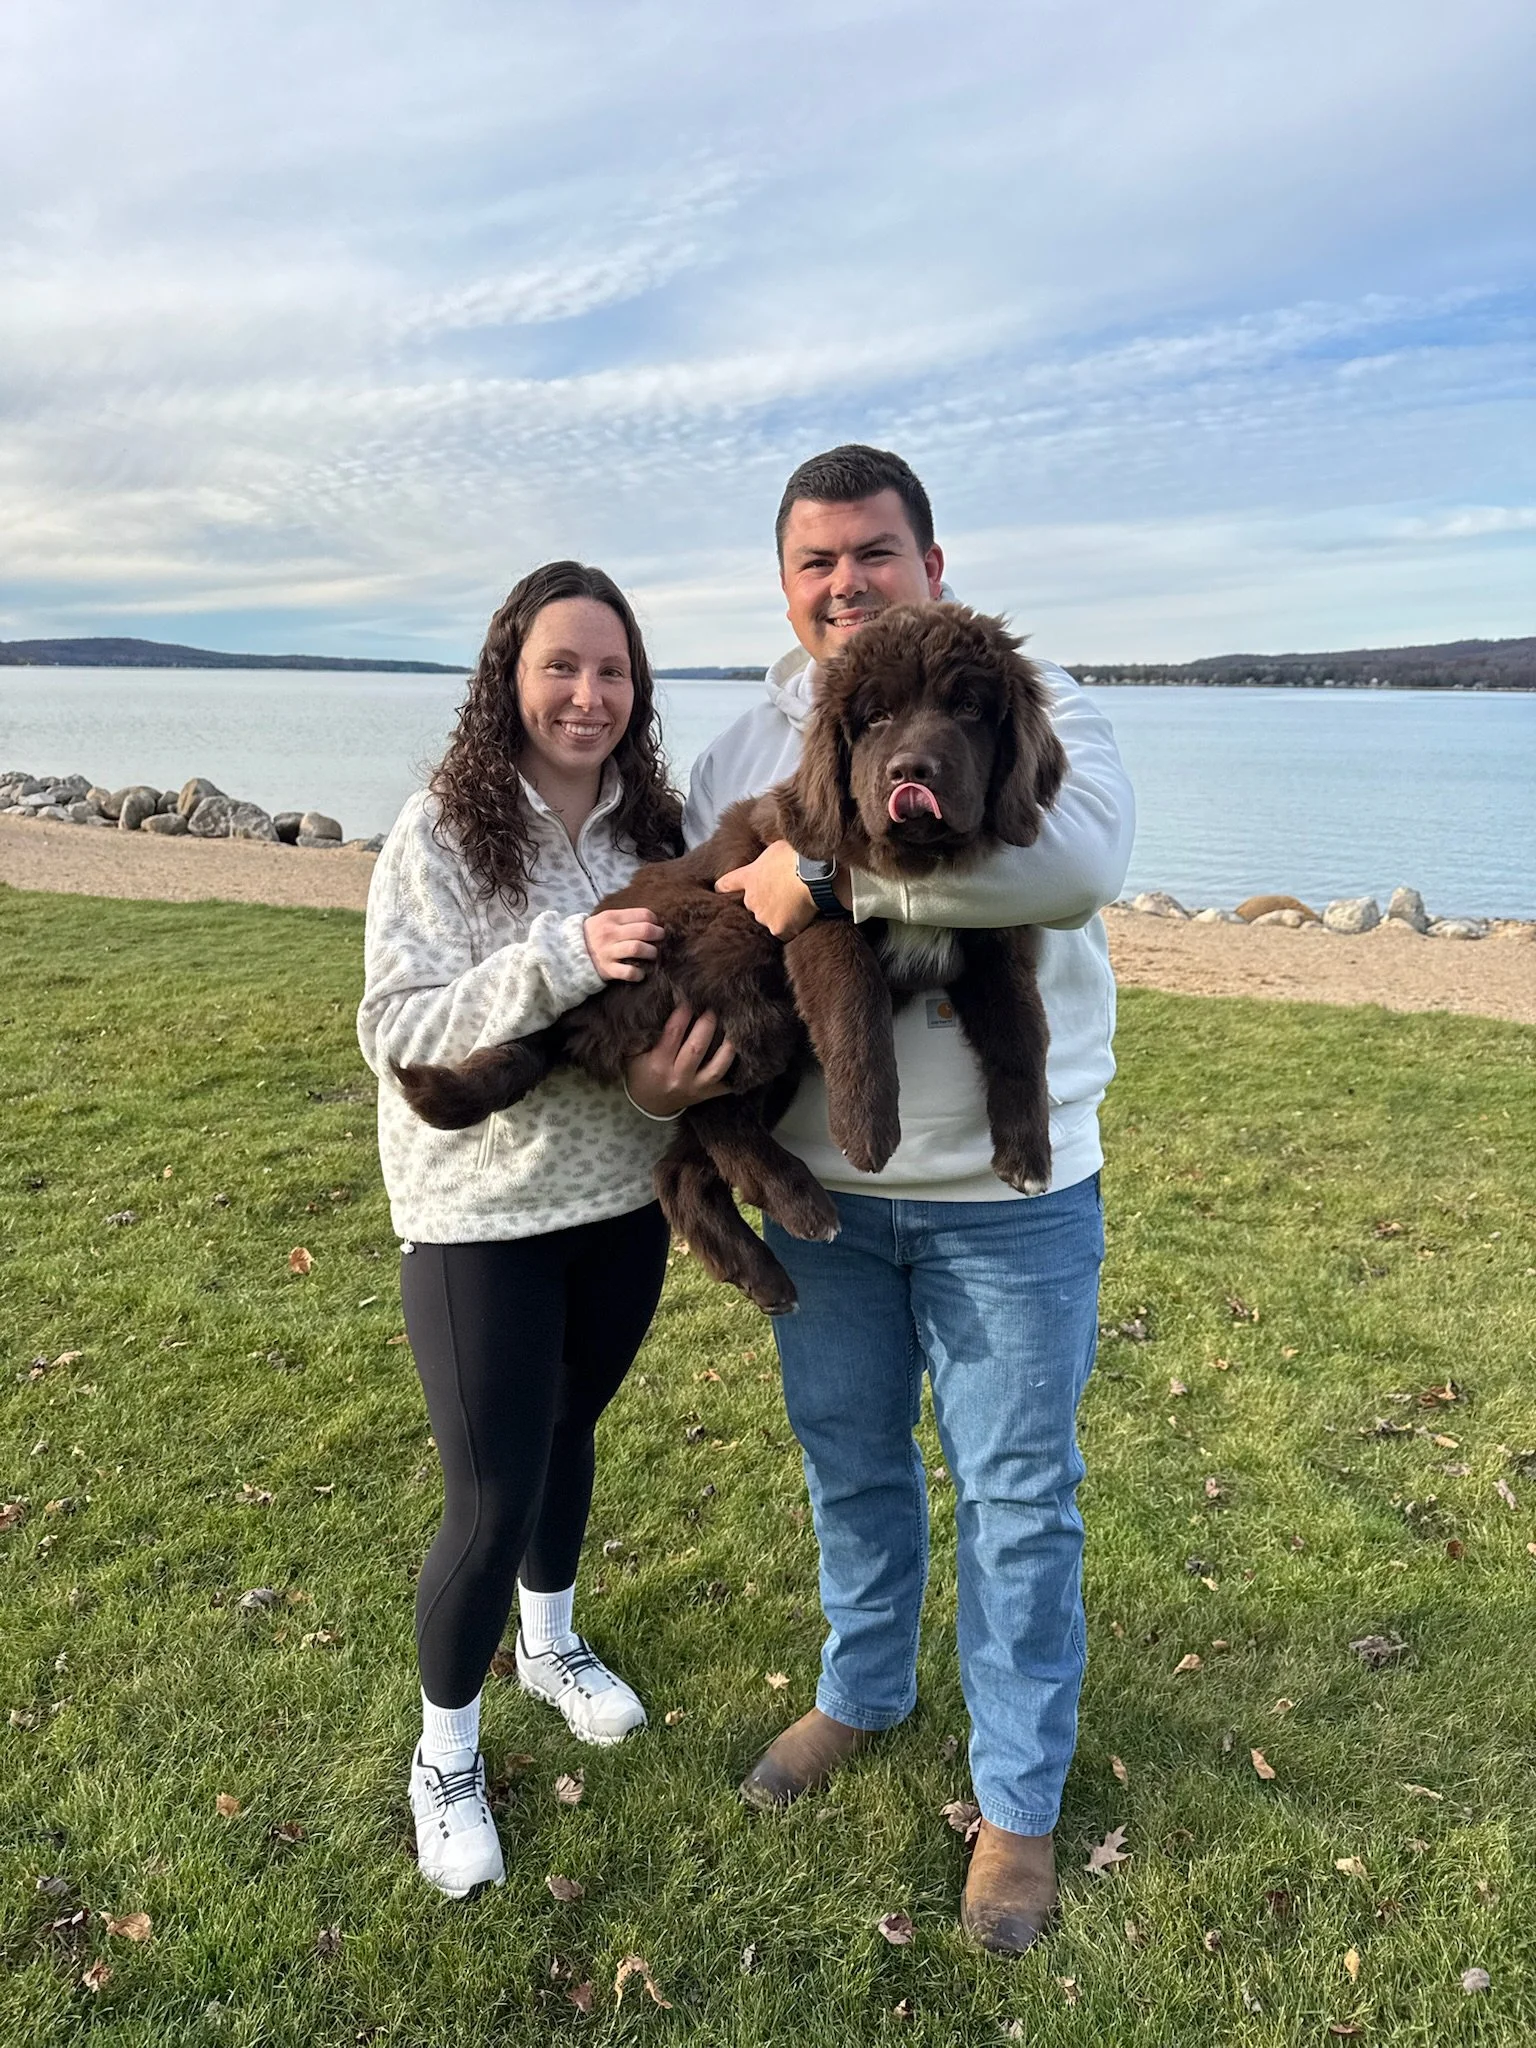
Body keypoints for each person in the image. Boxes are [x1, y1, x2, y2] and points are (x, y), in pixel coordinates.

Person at [686, 445, 1135, 1955]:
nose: (845, 584)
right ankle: (861, 1694)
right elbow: (711, 916)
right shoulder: (752, 725)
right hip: (831, 1189)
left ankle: (1017, 1807)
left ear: (930, 565)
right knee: (851, 1460)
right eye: (816, 562)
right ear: (788, 583)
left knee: (1017, 1499)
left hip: (1012, 1201)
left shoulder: (1030, 688)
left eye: (873, 553)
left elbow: (1071, 866)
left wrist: (829, 885)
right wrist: (661, 1071)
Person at [358, 561, 734, 1899]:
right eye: (561, 666)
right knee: (490, 1493)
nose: (588, 694)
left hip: (619, 1200)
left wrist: (684, 1076)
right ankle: (444, 1758)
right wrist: (566, 953)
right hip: (479, 1218)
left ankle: (551, 1646)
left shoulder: (659, 826)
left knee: (571, 1435)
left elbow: (695, 985)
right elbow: (398, 1030)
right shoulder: (444, 834)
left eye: (613, 671)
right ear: (508, 677)